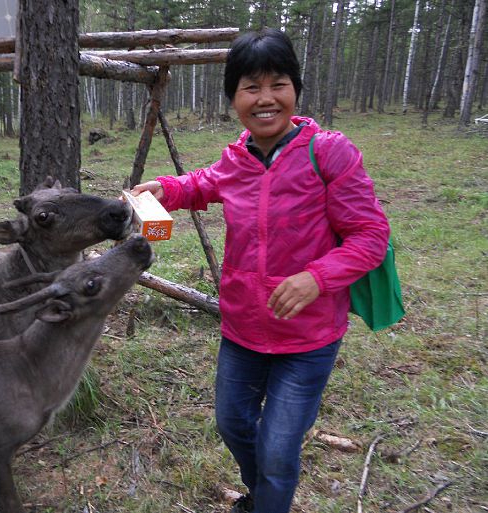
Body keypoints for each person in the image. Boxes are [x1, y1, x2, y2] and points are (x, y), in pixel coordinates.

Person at [131, 28, 390, 513]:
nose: (265, 98)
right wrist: (167, 189)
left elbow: (371, 235)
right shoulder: (238, 157)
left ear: (296, 89)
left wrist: (317, 277)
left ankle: (268, 498)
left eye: (278, 84)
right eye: (251, 87)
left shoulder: (328, 152)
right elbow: (205, 182)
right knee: (233, 424)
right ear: (234, 98)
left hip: (308, 337)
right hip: (243, 329)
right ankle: (264, 494)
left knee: (278, 448)